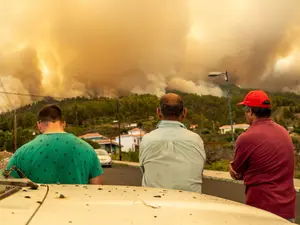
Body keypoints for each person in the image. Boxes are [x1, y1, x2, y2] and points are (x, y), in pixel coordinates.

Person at [229, 90, 296, 222]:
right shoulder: (284, 132)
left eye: (245, 110)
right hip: (287, 210)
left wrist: (231, 167)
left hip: (261, 211)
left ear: (250, 112)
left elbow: (237, 172)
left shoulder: (246, 138)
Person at [6, 104, 103, 184]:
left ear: (39, 124)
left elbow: (7, 185)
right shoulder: (88, 149)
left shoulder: (21, 152)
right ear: (63, 123)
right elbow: (96, 190)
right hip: (79, 207)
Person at [139, 93, 206, 193]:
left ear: (158, 112)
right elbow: (199, 172)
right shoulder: (196, 140)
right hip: (191, 203)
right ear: (184, 112)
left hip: (153, 203)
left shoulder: (147, 139)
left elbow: (144, 170)